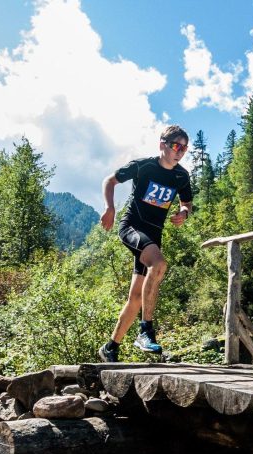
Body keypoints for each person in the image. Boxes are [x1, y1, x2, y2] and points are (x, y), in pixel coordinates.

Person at [98, 125, 193, 362]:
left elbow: (187, 203)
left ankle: (111, 347)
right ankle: (145, 331)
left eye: (184, 148)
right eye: (175, 146)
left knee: (136, 298)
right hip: (132, 227)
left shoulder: (182, 176)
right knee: (159, 264)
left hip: (154, 235)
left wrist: (184, 213)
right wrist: (110, 207)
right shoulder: (143, 166)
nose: (180, 152)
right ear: (162, 144)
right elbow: (110, 181)